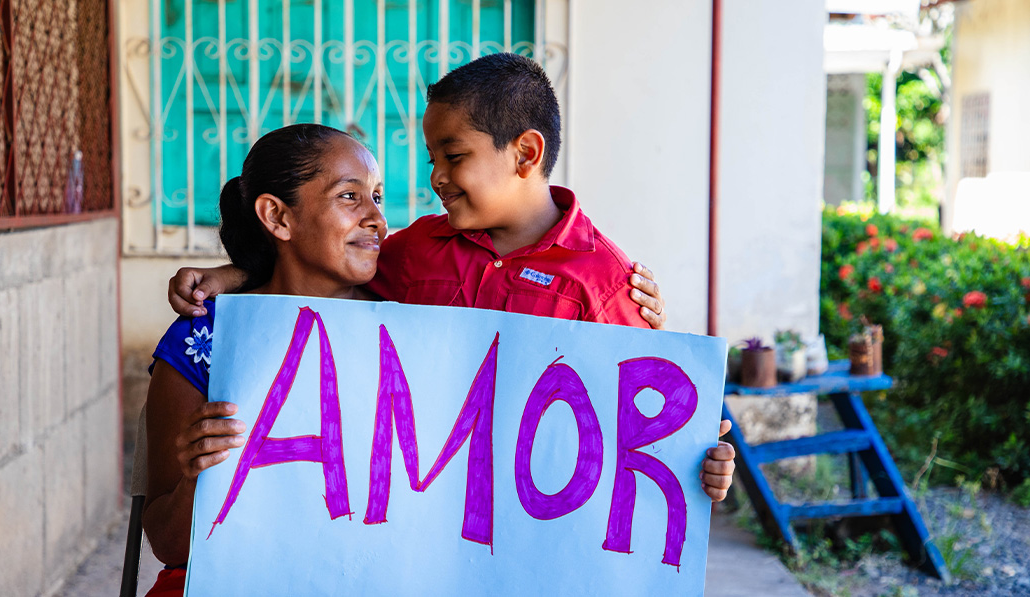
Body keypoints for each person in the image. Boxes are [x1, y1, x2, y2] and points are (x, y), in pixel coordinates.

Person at [167, 53, 735, 501]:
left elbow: (645, 425)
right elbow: (323, 268)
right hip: (419, 513)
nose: (435, 176)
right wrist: (236, 273)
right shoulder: (417, 249)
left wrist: (697, 466)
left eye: (453, 155)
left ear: (526, 153)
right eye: (431, 156)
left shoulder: (606, 282)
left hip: (530, 518)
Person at [142, 124, 386, 595]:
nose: (377, 218)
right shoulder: (205, 338)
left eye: (377, 196)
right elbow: (169, 545)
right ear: (276, 216)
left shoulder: (410, 322)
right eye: (350, 197)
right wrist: (198, 481)